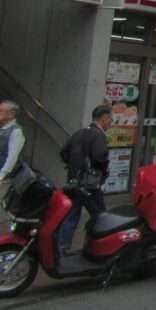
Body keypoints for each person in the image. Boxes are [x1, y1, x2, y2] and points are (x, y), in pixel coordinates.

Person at [58, 105, 112, 253]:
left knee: (72, 215)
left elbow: (63, 152)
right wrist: (101, 172)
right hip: (90, 186)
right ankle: (97, 246)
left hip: (74, 183)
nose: (110, 123)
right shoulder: (98, 135)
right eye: (110, 119)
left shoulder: (79, 133)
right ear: (104, 118)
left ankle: (63, 246)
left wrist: (74, 166)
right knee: (100, 216)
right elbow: (99, 156)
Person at [0, 101, 25, 239]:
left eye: (0, 111)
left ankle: (0, 245)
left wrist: (0, 178)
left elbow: (11, 158)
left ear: (11, 114)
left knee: (1, 215)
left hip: (3, 181)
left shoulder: (16, 132)